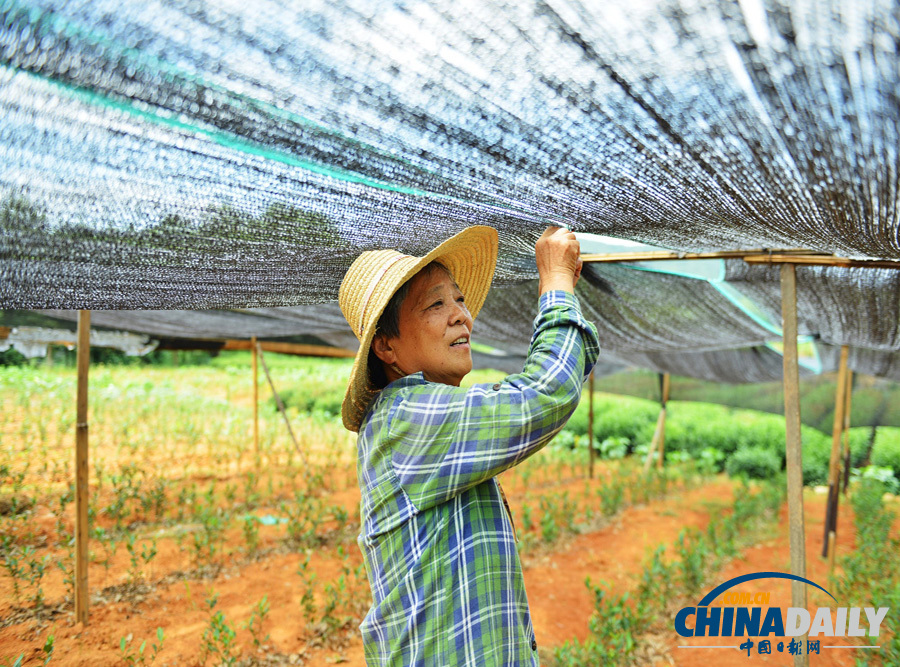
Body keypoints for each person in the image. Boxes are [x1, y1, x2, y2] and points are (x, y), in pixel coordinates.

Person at [337, 225, 600, 666]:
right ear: (387, 347)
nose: (462, 315)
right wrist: (555, 284)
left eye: (458, 299)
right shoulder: (406, 418)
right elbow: (542, 396)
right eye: (436, 304)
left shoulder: (422, 415)